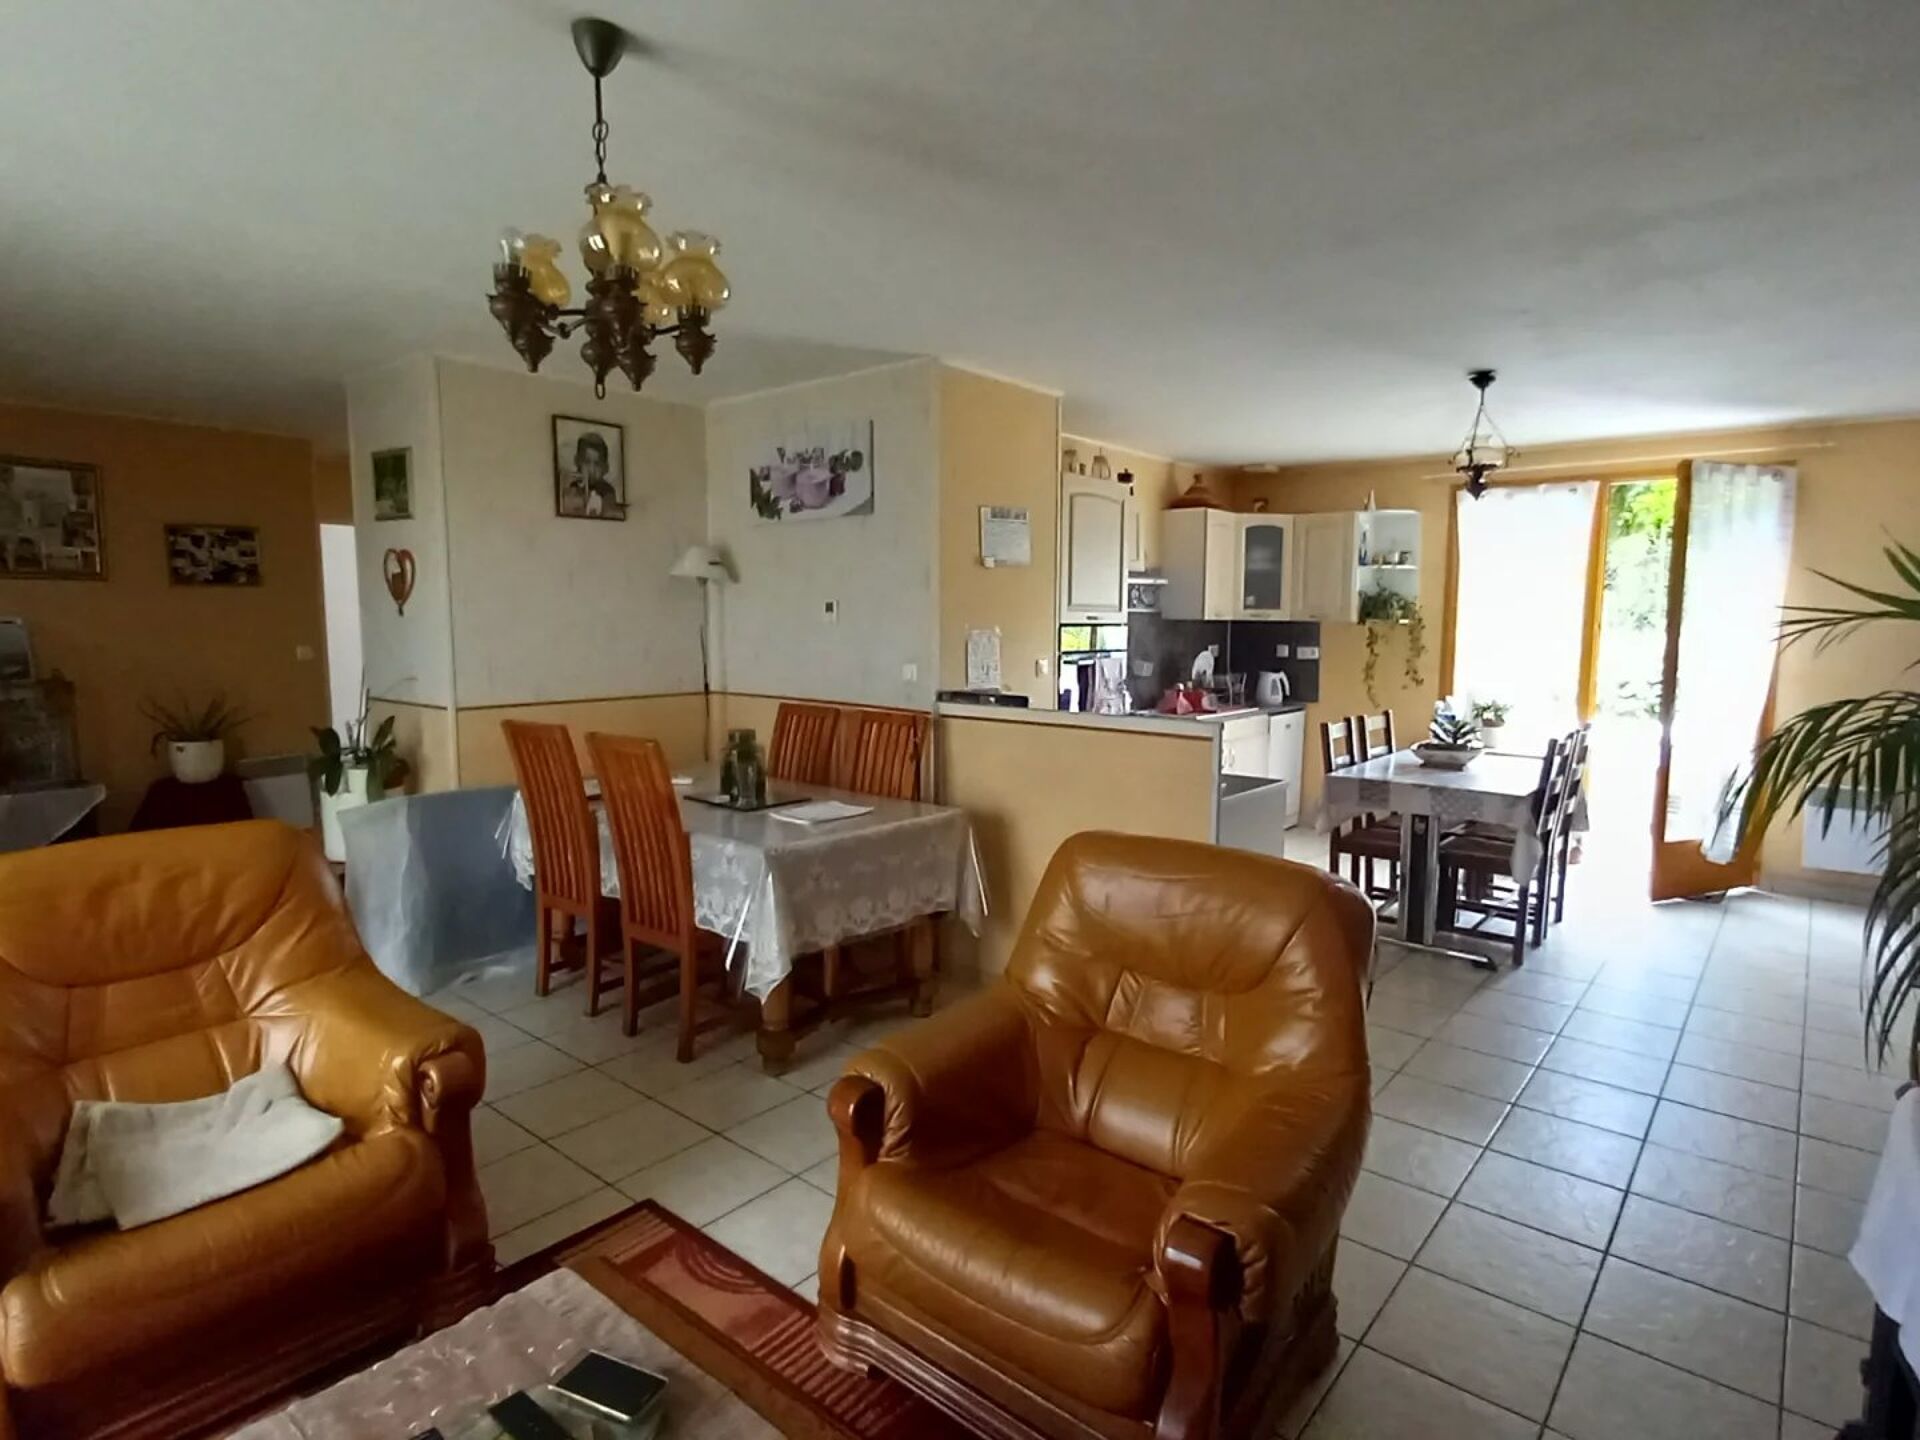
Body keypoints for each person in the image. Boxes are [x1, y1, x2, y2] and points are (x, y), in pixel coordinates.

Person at [560, 432, 620, 518]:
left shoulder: (607, 490)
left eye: (597, 464)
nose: (591, 469)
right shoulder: (572, 485)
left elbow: (609, 514)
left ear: (605, 468)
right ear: (577, 461)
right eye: (587, 462)